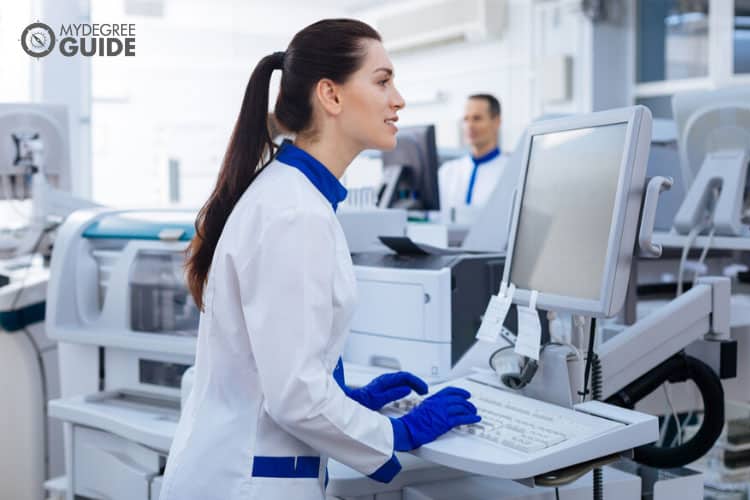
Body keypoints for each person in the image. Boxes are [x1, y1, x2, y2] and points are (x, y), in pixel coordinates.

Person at [159, 19, 480, 500]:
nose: (398, 99)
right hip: (245, 484)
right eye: (382, 80)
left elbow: (279, 371)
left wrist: (348, 401)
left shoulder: (291, 194)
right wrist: (397, 433)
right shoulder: (295, 214)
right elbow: (295, 397)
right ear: (330, 96)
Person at [439, 94, 508, 221]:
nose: (469, 125)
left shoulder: (511, 171)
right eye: (466, 119)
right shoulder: (447, 171)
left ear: (497, 122)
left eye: (477, 118)